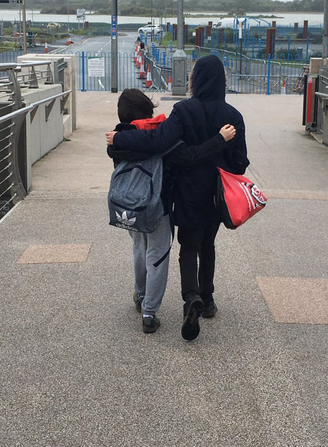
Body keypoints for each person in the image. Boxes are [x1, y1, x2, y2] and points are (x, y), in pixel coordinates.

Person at [106, 56, 249, 341]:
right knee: (208, 244)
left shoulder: (183, 111)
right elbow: (240, 164)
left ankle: (191, 297)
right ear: (221, 81)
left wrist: (119, 139)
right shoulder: (234, 116)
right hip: (219, 195)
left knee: (188, 247)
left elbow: (158, 141)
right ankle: (207, 299)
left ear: (195, 80)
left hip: (189, 193)